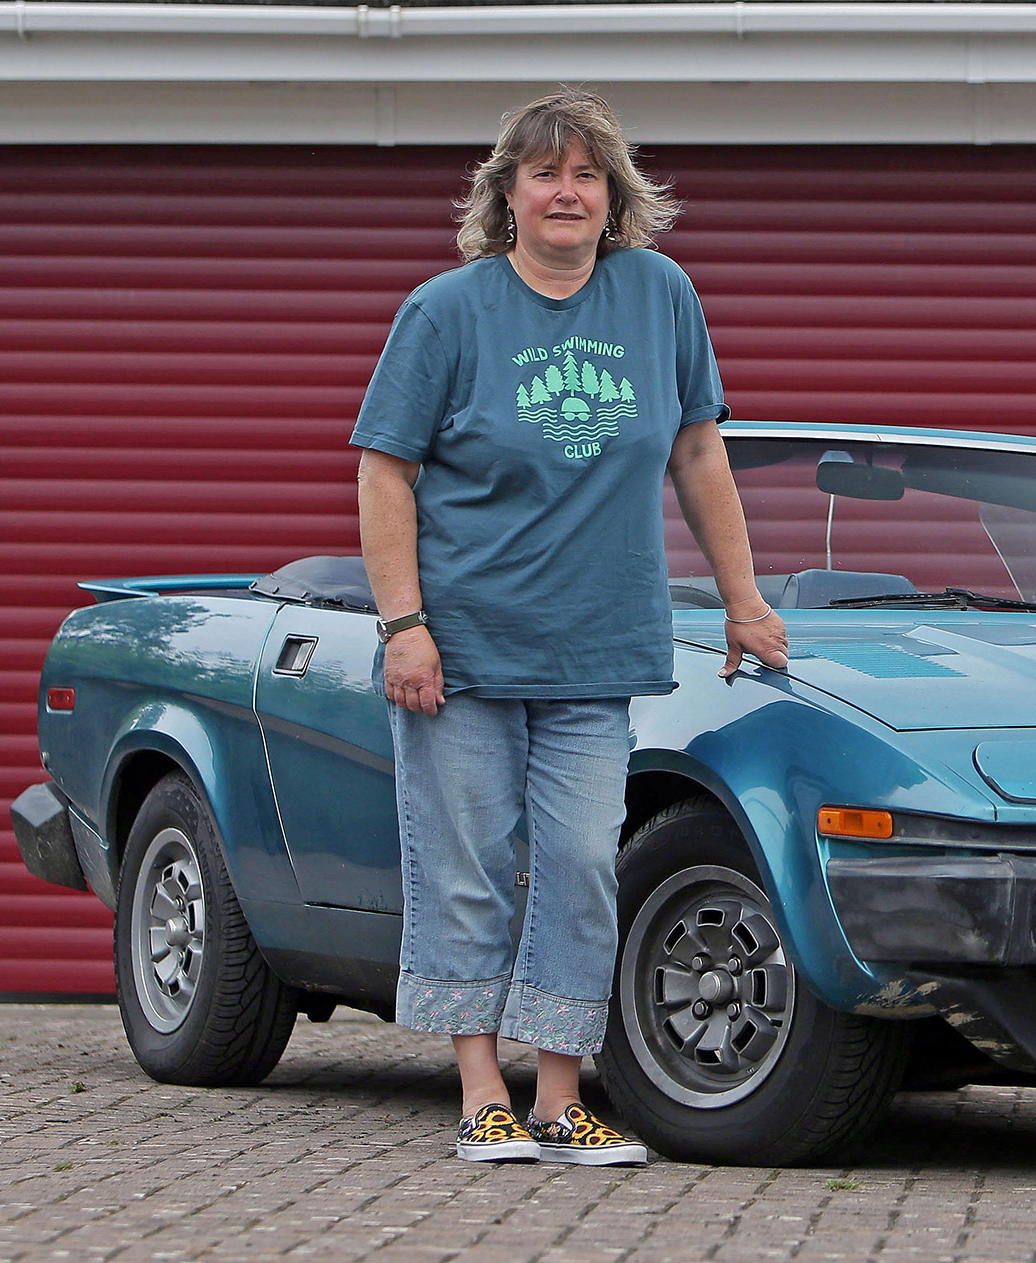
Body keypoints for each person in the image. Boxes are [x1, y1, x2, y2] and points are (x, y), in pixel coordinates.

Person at [351, 87, 788, 1165]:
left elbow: (696, 454)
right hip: (464, 652)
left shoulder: (660, 296)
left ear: (613, 197)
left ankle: (559, 1095)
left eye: (585, 173)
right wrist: (403, 622)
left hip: (598, 652)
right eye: (543, 172)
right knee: (468, 867)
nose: (565, 190)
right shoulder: (447, 313)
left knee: (584, 864)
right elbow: (384, 471)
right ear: (505, 196)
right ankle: (478, 1091)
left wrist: (743, 596)